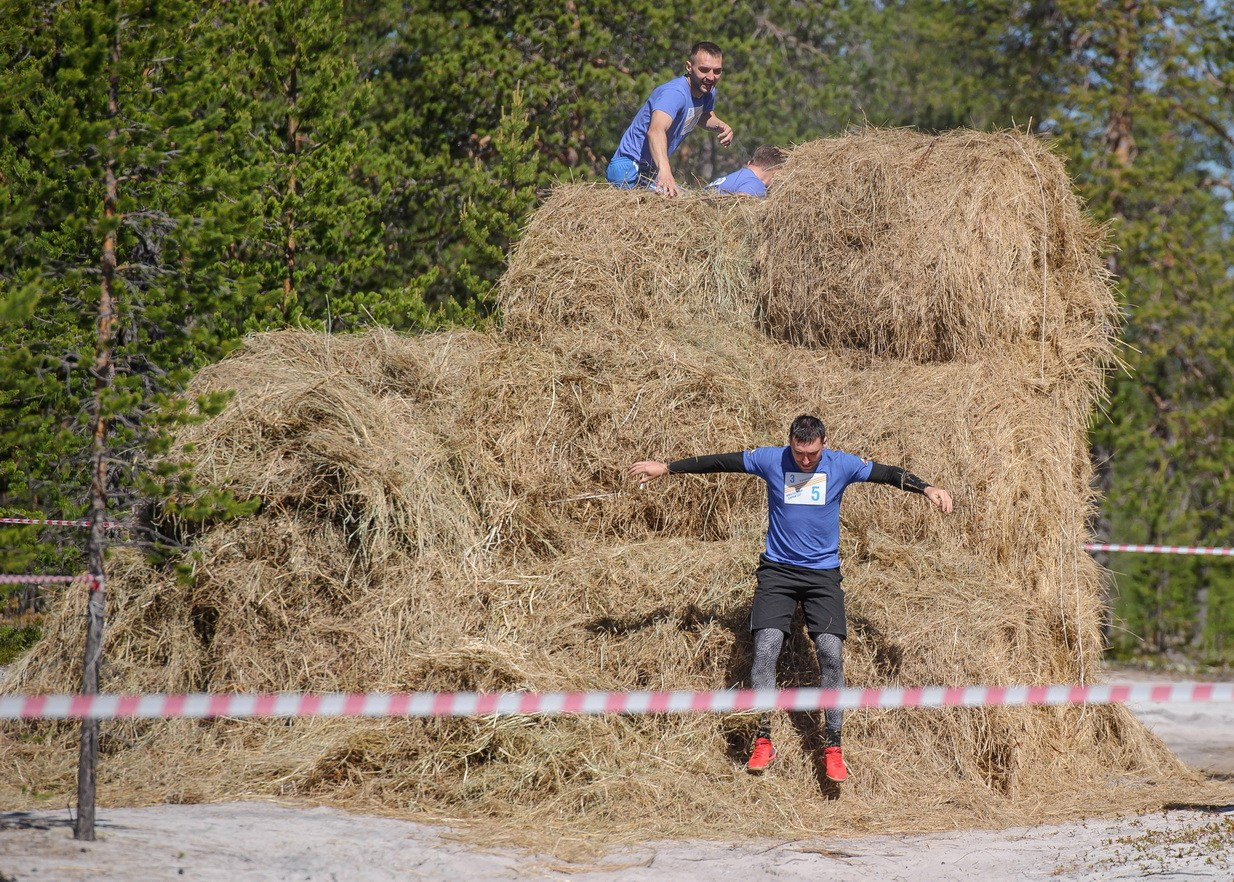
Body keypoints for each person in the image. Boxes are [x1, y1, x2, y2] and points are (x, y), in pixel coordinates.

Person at [628, 415, 954, 781]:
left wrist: (926, 488)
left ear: (824, 444)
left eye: (811, 454)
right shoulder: (771, 459)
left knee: (830, 653)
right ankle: (764, 738)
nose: (804, 461)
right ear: (790, 444)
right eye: (799, 453)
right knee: (766, 648)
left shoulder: (842, 464)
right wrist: (668, 468)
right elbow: (722, 462)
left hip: (822, 577)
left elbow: (887, 474)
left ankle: (833, 745)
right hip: (777, 573)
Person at [606, 41, 735, 196]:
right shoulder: (674, 94)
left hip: (649, 172)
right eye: (704, 70)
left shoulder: (707, 92)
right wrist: (665, 172)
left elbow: (702, 115)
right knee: (677, 202)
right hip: (628, 168)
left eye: (717, 71)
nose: (711, 77)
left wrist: (720, 125)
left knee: (685, 202)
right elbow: (655, 131)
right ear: (689, 67)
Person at [706, 145, 788, 197]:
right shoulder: (756, 185)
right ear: (777, 172)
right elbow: (739, 206)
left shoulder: (734, 178)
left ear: (749, 163)